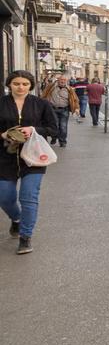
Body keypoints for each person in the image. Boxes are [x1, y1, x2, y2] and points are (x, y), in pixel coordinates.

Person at [1, 70, 57, 254]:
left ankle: (25, 237)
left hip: (33, 158)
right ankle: (17, 219)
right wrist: (2, 134)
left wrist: (33, 130)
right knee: (5, 196)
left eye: (25, 84)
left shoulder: (41, 104)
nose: (20, 87)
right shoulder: (1, 103)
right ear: (9, 84)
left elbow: (53, 130)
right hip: (4, 157)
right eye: (16, 83)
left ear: (30, 86)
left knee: (28, 197)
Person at [40, 75, 78, 147]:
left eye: (64, 80)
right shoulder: (51, 86)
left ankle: (62, 141)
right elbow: (44, 95)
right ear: (58, 80)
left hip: (64, 109)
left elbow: (75, 99)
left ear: (66, 81)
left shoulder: (69, 89)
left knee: (63, 126)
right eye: (61, 79)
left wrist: (76, 108)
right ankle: (54, 137)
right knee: (55, 125)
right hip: (52, 109)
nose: (62, 81)